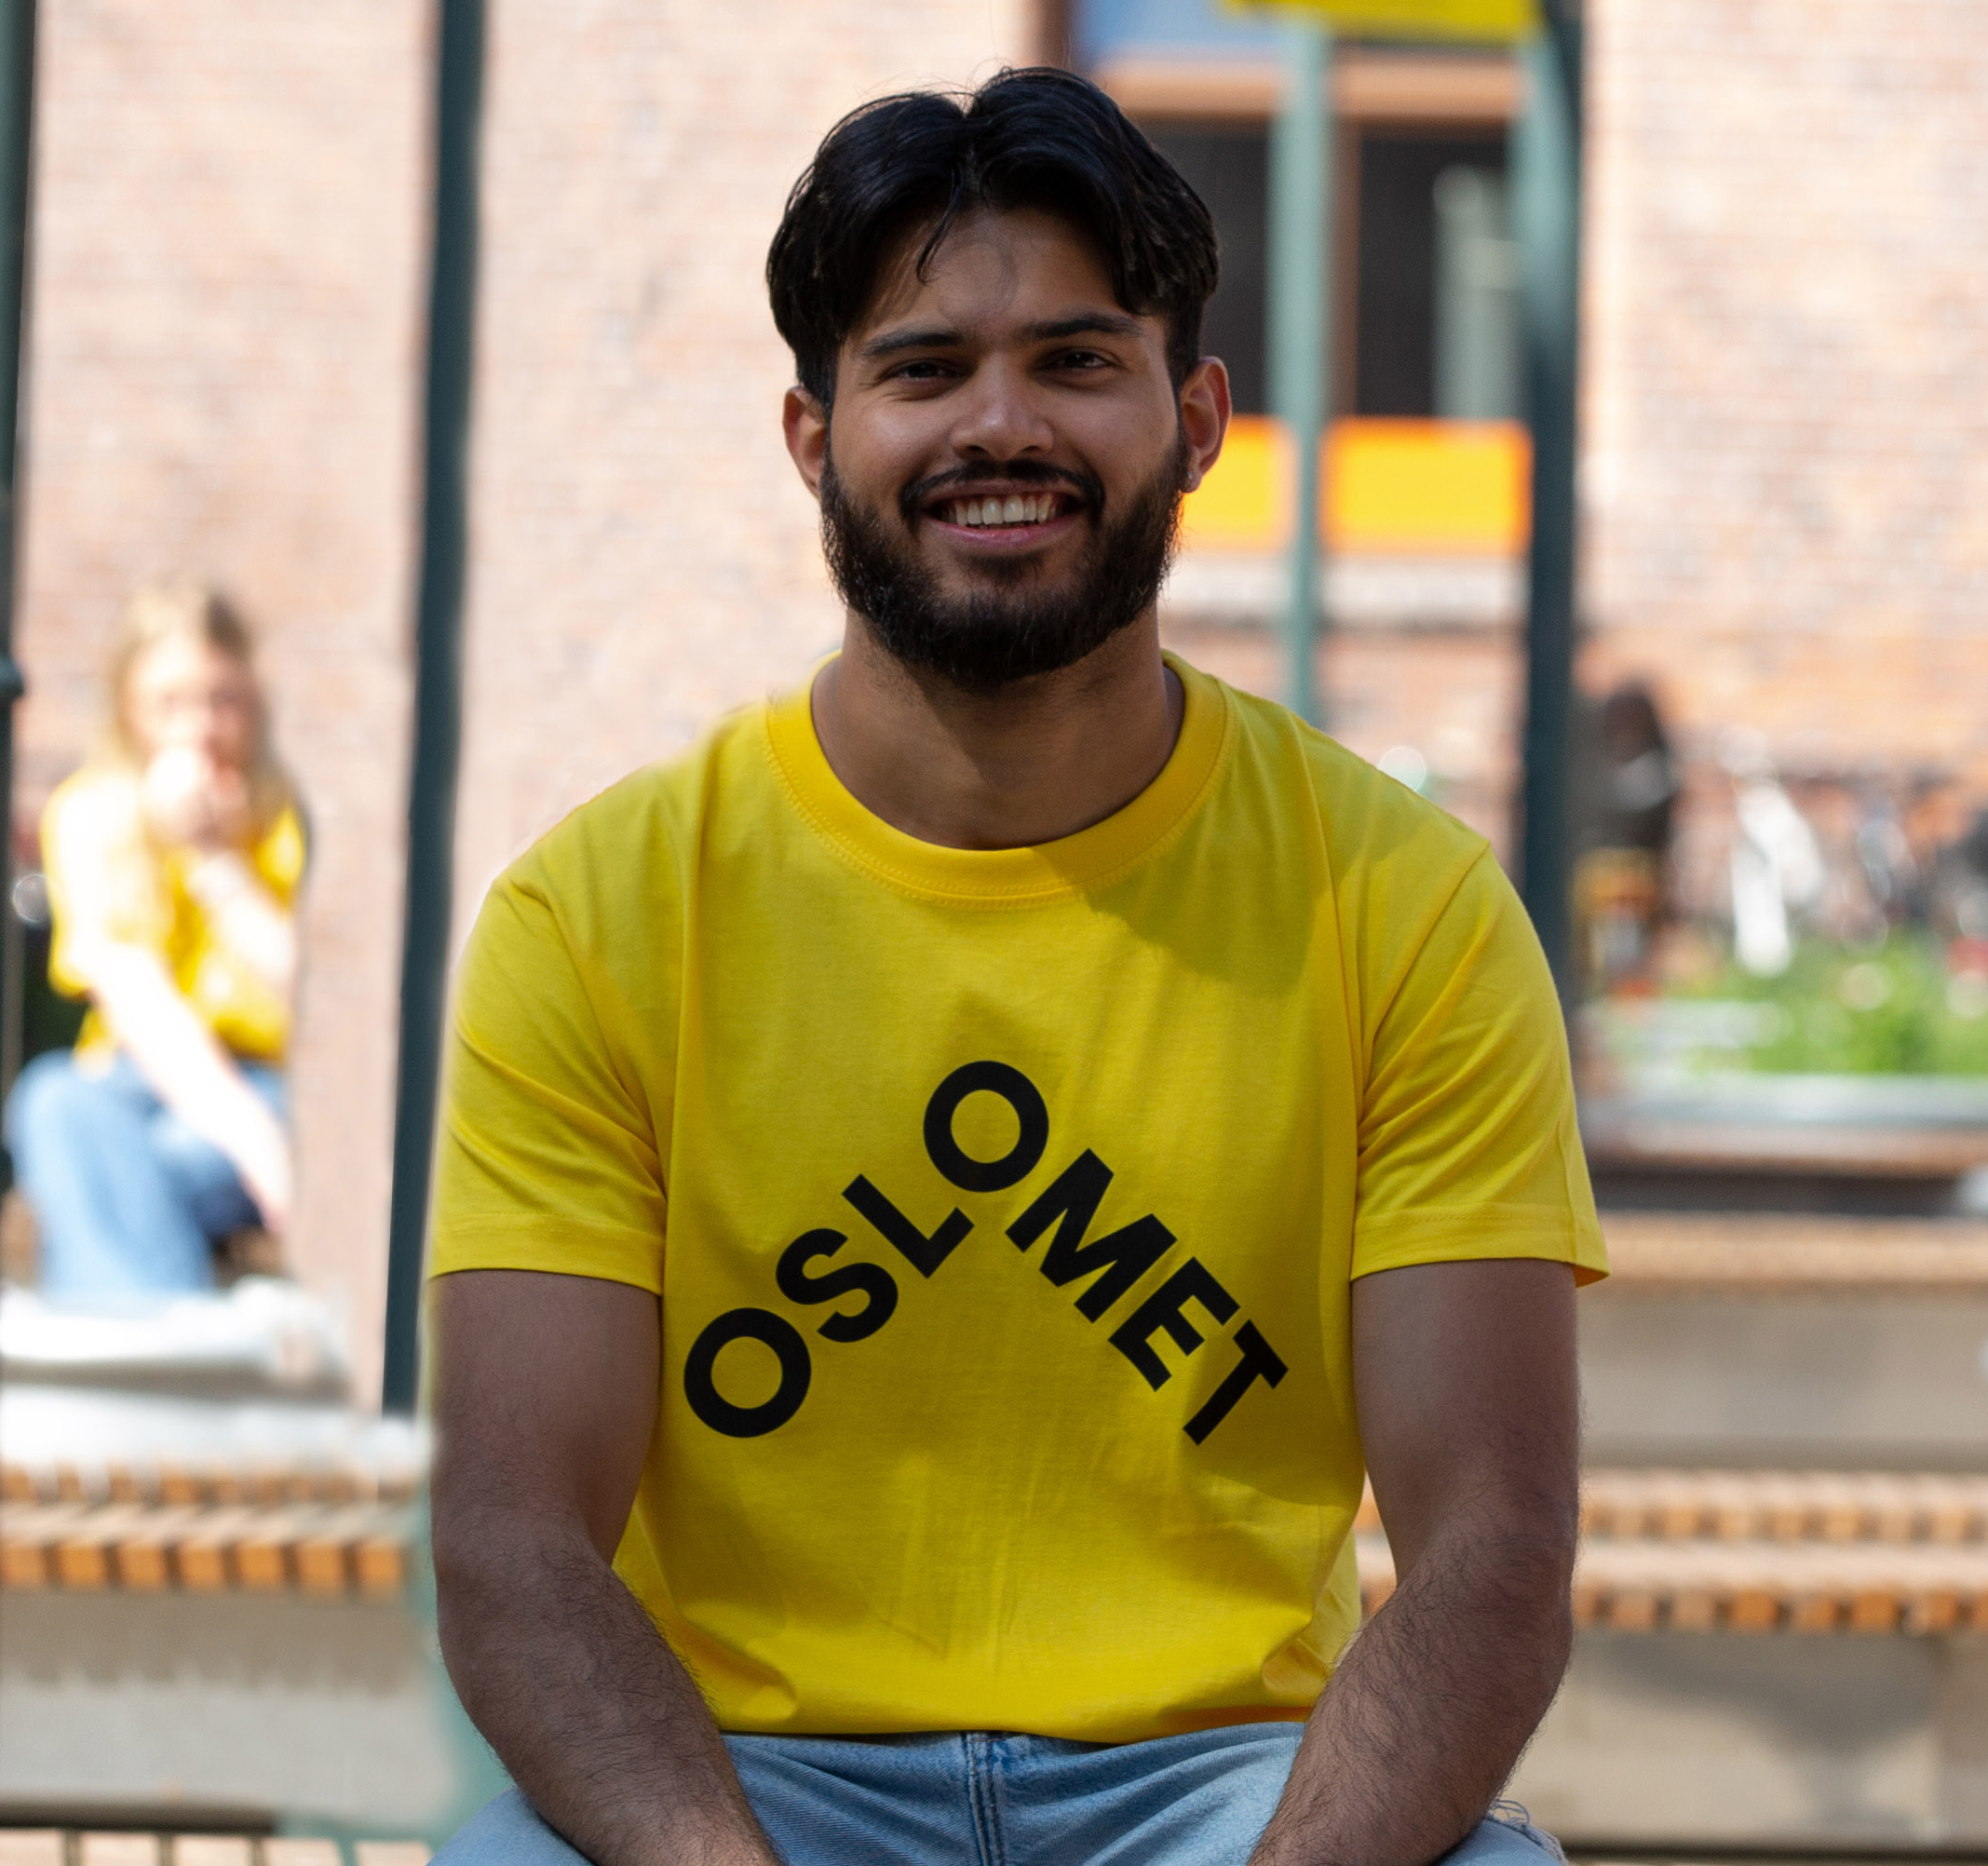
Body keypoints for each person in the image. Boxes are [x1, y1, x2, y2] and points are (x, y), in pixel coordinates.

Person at [426, 69, 1603, 1866]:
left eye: (1072, 360)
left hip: (1232, 1780)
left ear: (1194, 417)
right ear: (814, 434)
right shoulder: (596, 915)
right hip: (747, 1778)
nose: (999, 424)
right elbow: (514, 1542)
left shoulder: (1404, 904)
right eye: (920, 369)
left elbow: (1495, 1545)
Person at [6, 582, 304, 1300]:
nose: (197, 729)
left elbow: (321, 1003)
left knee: (114, 1182)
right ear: (129, 712)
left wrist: (214, 861)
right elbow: (137, 1001)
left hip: (291, 1084)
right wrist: (254, 1138)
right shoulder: (93, 811)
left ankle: (136, 1376)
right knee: (56, 1105)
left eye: (220, 700)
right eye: (170, 705)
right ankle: (174, 1352)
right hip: (145, 1088)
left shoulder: (297, 811)